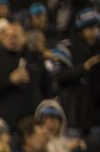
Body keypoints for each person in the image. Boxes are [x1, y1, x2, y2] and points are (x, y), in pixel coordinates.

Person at [0, 20, 49, 130]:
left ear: (24, 38)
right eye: (6, 36)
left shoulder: (35, 57)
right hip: (5, 122)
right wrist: (9, 80)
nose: (10, 39)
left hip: (32, 122)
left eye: (14, 36)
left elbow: (47, 86)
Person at [50, 8, 100, 137]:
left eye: (96, 27)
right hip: (73, 116)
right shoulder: (66, 47)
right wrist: (84, 67)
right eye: (90, 28)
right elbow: (59, 76)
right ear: (80, 30)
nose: (94, 32)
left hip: (95, 117)